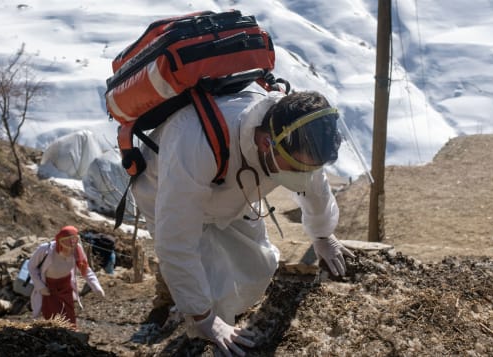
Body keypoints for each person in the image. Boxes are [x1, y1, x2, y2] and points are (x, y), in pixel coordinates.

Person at [131, 90, 355, 356]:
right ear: (264, 142)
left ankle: (219, 316)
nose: (304, 178)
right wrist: (204, 317)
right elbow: (176, 241)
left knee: (260, 265)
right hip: (167, 194)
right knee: (214, 288)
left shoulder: (296, 135)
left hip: (233, 192)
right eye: (297, 169)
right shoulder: (194, 141)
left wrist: (322, 235)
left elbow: (316, 185)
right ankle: (208, 334)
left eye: (310, 169)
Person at [28, 225, 105, 327]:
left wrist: (96, 287)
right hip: (49, 288)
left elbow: (85, 270)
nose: (70, 247)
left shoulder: (77, 250)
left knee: (69, 314)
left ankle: (70, 334)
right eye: (66, 242)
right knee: (52, 316)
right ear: (60, 241)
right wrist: (41, 286)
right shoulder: (45, 250)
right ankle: (54, 335)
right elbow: (31, 267)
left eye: (73, 241)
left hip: (65, 287)